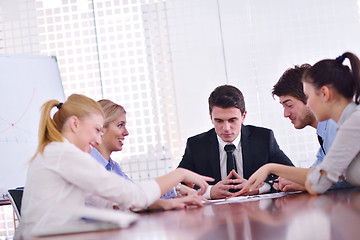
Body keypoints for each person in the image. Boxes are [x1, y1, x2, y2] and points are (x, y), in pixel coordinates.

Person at [20, 94, 213, 234]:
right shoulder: (65, 154)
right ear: (74, 124)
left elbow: (114, 201)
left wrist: (162, 202)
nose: (97, 139)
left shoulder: (56, 152)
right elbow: (135, 196)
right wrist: (179, 173)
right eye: (96, 130)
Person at [242, 52, 360, 194]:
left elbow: (318, 183)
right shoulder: (346, 123)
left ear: (324, 94)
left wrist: (271, 168)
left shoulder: (352, 123)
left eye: (308, 96)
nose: (308, 103)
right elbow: (318, 172)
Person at [178, 85, 294, 199]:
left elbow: (292, 176)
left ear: (243, 116)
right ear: (211, 118)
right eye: (219, 121)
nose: (226, 128)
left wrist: (258, 188)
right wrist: (210, 192)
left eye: (232, 120)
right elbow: (177, 186)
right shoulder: (196, 145)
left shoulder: (264, 138)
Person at [86, 99, 201, 211]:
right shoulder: (88, 164)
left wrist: (177, 189)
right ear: (101, 128)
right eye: (120, 125)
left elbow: (137, 193)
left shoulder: (113, 167)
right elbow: (123, 202)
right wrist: (165, 202)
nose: (126, 132)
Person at [271, 64, 338, 192]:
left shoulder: (335, 125)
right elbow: (318, 167)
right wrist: (297, 179)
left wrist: (309, 183)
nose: (285, 114)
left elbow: (346, 174)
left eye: (289, 105)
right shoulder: (324, 133)